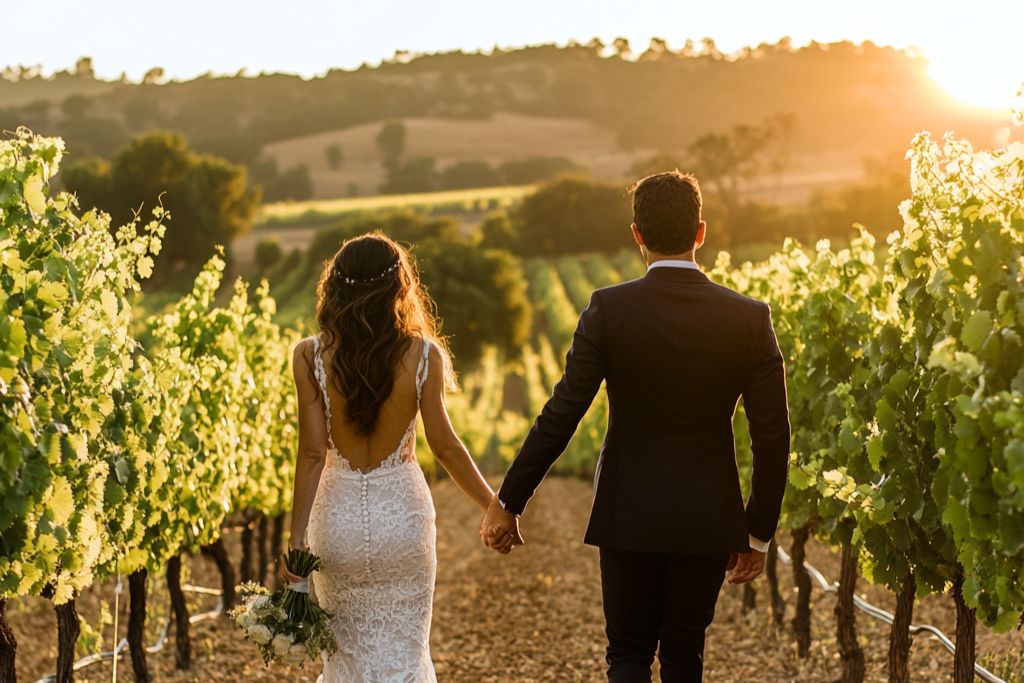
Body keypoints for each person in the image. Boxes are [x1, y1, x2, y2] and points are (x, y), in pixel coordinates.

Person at [480, 171, 791, 682]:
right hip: (707, 515)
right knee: (685, 657)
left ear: (637, 235)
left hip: (627, 511)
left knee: (627, 654)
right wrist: (757, 531)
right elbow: (773, 436)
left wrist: (509, 500)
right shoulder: (750, 318)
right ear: (701, 232)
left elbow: (563, 412)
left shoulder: (609, 309)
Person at [286, 232, 505, 682]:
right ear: (399, 286)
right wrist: (494, 507)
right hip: (402, 520)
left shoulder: (309, 356)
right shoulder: (423, 355)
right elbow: (446, 447)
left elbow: (311, 453)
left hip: (337, 523)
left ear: (335, 286)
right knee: (406, 653)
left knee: (343, 657)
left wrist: (295, 540)